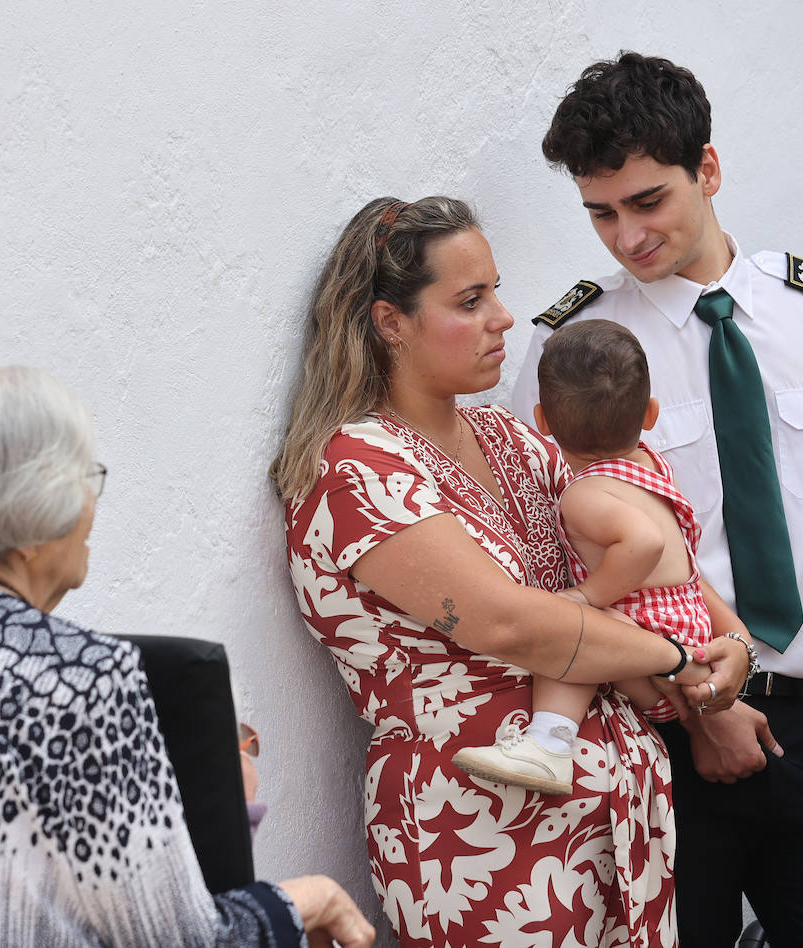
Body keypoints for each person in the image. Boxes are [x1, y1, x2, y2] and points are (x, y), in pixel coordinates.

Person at [511, 53, 803, 948]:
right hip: (662, 726)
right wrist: (698, 706)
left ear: (706, 171)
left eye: (648, 202)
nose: (626, 238)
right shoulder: (577, 347)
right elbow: (551, 563)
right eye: (601, 213)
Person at [273, 196, 752, 947]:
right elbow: (507, 623)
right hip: (479, 837)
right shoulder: (355, 467)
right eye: (471, 300)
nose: (504, 317)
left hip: (615, 834)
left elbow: (640, 536)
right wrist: (680, 659)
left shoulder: (510, 437)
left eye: (495, 290)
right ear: (389, 322)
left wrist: (734, 641)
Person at [0, 360, 374, 948]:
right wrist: (308, 899)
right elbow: (184, 943)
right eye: (83, 478)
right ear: (28, 514)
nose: (90, 506)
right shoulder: (83, 679)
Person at [453, 319, 759, 795]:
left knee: (569, 640)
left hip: (656, 641)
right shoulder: (650, 466)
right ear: (651, 413)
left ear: (542, 421)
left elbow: (644, 543)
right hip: (688, 632)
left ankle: (549, 745)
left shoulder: (587, 493)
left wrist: (588, 595)